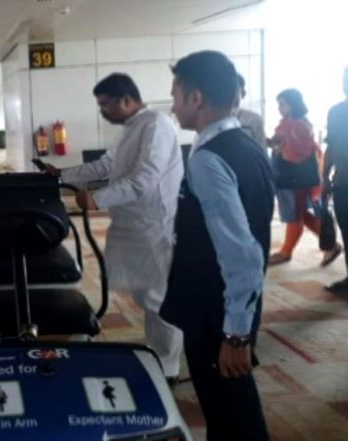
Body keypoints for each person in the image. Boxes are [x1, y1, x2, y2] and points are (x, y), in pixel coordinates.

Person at [160, 50, 272, 440]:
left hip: (217, 316)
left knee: (233, 418)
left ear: (196, 99)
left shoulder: (207, 160)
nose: (172, 107)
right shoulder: (248, 145)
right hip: (231, 310)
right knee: (232, 413)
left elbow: (242, 254)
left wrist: (235, 336)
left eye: (175, 96)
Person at [43, 73, 184, 383]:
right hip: (131, 224)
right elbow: (106, 166)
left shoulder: (157, 126)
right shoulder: (132, 129)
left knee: (158, 299)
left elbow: (145, 180)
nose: (102, 111)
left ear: (126, 100)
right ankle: (158, 354)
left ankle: (168, 368)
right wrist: (62, 174)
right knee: (147, 296)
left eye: (105, 104)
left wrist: (97, 198)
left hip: (152, 226)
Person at [267, 89, 342, 266]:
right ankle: (330, 245)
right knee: (300, 214)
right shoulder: (289, 123)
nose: (279, 108)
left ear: (293, 104)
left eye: (282, 104)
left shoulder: (298, 126)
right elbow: (279, 145)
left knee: (296, 215)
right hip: (292, 178)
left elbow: (295, 153)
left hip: (295, 179)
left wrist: (278, 144)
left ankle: (287, 251)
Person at [324, 67, 348, 291]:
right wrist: (325, 177)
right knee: (347, 231)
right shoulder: (336, 112)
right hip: (342, 184)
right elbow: (331, 146)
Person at [234, 74, 267, 150]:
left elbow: (262, 149)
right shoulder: (212, 118)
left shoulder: (253, 119)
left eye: (234, 89)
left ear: (243, 93)